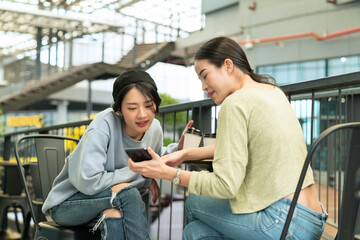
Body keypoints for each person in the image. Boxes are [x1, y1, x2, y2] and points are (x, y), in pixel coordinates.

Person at [128, 37, 328, 240]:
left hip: (283, 224)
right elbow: (240, 146)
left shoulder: (236, 102)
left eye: (205, 76)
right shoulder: (273, 92)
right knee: (195, 233)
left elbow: (225, 185)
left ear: (228, 65)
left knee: (194, 202)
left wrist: (169, 173)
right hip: (311, 218)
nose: (203, 87)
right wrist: (185, 153)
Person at [42, 69, 192, 239]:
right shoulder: (103, 124)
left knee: (115, 216)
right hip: (69, 205)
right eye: (132, 108)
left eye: (149, 106)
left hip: (110, 205)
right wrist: (141, 174)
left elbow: (152, 158)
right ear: (119, 109)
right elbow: (88, 181)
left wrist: (178, 150)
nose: (142, 114)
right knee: (127, 193)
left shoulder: (154, 128)